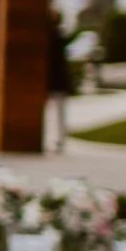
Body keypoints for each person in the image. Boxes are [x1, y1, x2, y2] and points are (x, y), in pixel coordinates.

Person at [46, 10, 72, 149]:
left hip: (54, 80)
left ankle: (58, 139)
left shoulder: (53, 37)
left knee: (57, 112)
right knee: (58, 113)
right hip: (57, 80)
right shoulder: (58, 36)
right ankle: (58, 139)